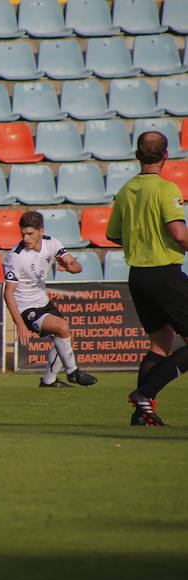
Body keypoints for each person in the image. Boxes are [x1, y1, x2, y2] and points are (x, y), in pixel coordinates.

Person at [106, 130, 188, 426]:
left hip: (138, 275)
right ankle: (145, 394)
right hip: (164, 273)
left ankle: (142, 415)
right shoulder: (167, 189)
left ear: (137, 155)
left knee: (160, 344)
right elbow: (179, 235)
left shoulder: (126, 191)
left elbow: (113, 234)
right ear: (166, 156)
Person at [4, 210, 98, 389]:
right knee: (62, 328)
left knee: (63, 337)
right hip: (26, 308)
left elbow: (75, 265)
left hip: (43, 302)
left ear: (41, 231)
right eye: (23, 234)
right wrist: (20, 325)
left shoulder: (51, 243)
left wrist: (71, 267)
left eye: (30, 234)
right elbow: (8, 293)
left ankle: (48, 380)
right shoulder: (15, 257)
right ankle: (73, 372)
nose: (25, 238)